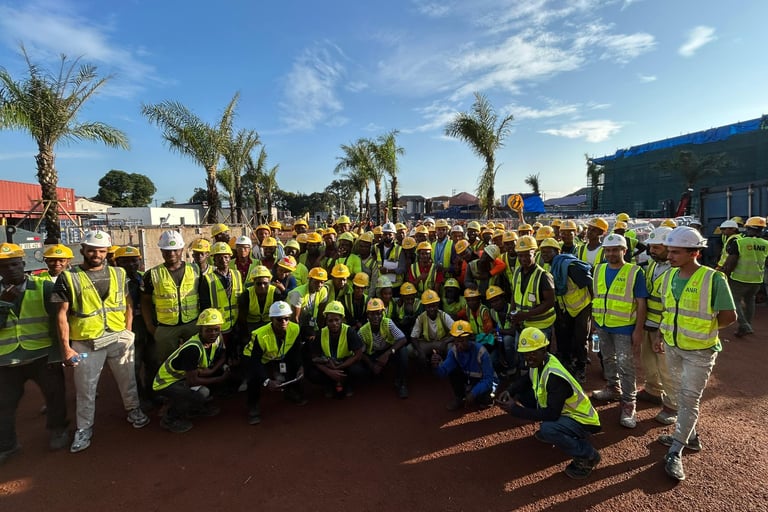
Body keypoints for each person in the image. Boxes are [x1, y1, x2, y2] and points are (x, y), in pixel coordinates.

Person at [53, 230, 149, 453]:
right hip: (87, 342)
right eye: (92, 250)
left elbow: (127, 303)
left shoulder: (119, 273)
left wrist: (127, 331)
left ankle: (134, 410)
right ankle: (84, 428)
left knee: (128, 380)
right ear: (83, 250)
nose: (97, 254)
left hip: (118, 338)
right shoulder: (69, 277)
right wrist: (66, 348)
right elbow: (61, 315)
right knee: (86, 388)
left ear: (107, 252)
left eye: (102, 251)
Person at [653, 226, 736, 481]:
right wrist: (662, 334)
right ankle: (689, 437)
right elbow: (668, 310)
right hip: (673, 346)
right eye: (669, 251)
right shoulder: (668, 276)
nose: (669, 256)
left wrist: (704, 330)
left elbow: (729, 316)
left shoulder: (714, 279)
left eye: (675, 252)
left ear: (694, 253)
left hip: (700, 351)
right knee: (679, 394)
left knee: (689, 399)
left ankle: (676, 451)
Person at [497, 327, 601, 479]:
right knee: (522, 393)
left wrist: (515, 410)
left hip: (583, 420)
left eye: (532, 352)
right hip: (565, 412)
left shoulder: (554, 376)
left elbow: (552, 414)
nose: (528, 357)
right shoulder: (541, 361)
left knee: (548, 429)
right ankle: (563, 432)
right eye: (525, 353)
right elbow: (527, 379)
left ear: (544, 349)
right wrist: (510, 390)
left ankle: (588, 455)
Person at [0, 243, 69, 464]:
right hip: (6, 360)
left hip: (41, 355)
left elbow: (57, 322)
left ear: (23, 264)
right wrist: (4, 303)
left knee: (55, 395)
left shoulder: (43, 287)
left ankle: (58, 430)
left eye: (14, 264)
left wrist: (57, 354)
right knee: (4, 404)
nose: (10, 269)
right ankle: (7, 444)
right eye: (4, 266)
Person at [590, 234, 648, 429]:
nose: (611, 254)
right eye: (608, 250)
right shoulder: (599, 269)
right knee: (607, 358)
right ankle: (612, 387)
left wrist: (638, 330)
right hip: (602, 325)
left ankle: (629, 402)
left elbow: (641, 303)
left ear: (624, 251)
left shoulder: (634, 272)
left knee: (625, 365)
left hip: (624, 327)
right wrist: (594, 322)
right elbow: (596, 297)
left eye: (615, 250)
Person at [141, 230, 201, 391]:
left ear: (181, 249)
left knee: (195, 358)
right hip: (166, 327)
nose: (171, 254)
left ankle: (195, 390)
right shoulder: (152, 274)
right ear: (161, 251)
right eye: (167, 250)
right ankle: (171, 392)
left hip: (192, 324)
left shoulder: (195, 270)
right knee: (167, 363)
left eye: (175, 250)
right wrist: (150, 325)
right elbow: (145, 301)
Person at [152, 308, 229, 433]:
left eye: (216, 329)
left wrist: (211, 371)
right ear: (200, 329)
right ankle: (170, 419)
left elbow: (223, 356)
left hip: (184, 378)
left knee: (207, 387)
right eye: (208, 330)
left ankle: (194, 409)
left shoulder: (217, 338)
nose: (213, 333)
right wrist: (219, 379)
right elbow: (192, 381)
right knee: (197, 395)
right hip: (167, 383)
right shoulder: (192, 349)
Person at [243, 301, 306, 425]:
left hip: (277, 355)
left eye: (287, 318)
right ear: (271, 319)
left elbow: (295, 352)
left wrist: (300, 367)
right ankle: (253, 406)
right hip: (255, 358)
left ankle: (290, 391)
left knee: (293, 364)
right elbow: (255, 362)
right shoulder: (260, 335)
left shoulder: (295, 328)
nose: (284, 322)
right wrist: (267, 381)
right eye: (279, 319)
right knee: (253, 377)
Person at [638, 227, 675, 416]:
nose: (651, 251)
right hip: (649, 323)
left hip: (665, 327)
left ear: (669, 247)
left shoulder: (676, 271)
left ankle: (673, 405)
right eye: (651, 247)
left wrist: (663, 330)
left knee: (666, 368)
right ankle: (653, 391)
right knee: (648, 361)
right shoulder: (653, 265)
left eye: (657, 247)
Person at [546, 239, 593, 384]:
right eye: (542, 252)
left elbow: (589, 283)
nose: (544, 254)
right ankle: (567, 362)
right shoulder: (553, 267)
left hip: (582, 306)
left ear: (557, 251)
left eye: (548, 251)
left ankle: (581, 366)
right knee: (564, 334)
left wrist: (593, 307)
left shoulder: (570, 266)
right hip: (567, 307)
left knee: (580, 338)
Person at [114, 246, 154, 406]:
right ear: (117, 262)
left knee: (153, 361)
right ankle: (139, 398)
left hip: (147, 325)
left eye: (134, 260)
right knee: (133, 366)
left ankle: (152, 392)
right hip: (127, 327)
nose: (130, 264)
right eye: (125, 261)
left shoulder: (144, 278)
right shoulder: (114, 281)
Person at [430, 320, 496, 411]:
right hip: (469, 378)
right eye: (456, 341)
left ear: (470, 338)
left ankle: (481, 396)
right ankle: (459, 398)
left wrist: (473, 393)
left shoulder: (481, 352)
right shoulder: (454, 351)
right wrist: (436, 366)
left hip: (483, 380)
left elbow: (488, 379)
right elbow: (443, 372)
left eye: (462, 341)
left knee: (484, 398)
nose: (458, 345)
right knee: (453, 371)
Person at [722, 216, 768, 337]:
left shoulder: (739, 242)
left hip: (739, 279)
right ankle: (746, 326)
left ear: (748, 228)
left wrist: (725, 275)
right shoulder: (766, 244)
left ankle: (744, 325)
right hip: (757, 280)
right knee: (750, 301)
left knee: (734, 300)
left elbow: (731, 262)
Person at [309, 301, 365, 398]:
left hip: (345, 363)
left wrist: (339, 367)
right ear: (326, 321)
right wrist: (329, 371)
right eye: (330, 321)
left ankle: (347, 383)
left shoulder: (349, 331)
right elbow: (314, 358)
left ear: (342, 320)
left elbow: (358, 354)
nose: (334, 323)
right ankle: (328, 384)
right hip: (328, 363)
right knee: (312, 374)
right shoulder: (321, 333)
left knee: (358, 371)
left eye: (337, 320)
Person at [358, 298, 410, 398]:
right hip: (374, 355)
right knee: (358, 368)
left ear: (382, 313)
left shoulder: (388, 323)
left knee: (403, 351)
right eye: (372, 314)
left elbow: (403, 339)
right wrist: (372, 365)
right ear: (367, 315)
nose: (375, 317)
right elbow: (360, 352)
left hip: (388, 352)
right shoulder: (362, 331)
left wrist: (387, 354)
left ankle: (401, 382)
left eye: (378, 314)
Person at [410, 290, 454, 365]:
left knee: (451, 348)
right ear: (424, 307)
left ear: (437, 305)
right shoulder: (421, 318)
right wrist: (421, 352)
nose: (432, 309)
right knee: (410, 350)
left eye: (434, 306)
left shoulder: (444, 316)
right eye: (428, 307)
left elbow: (456, 332)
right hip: (427, 343)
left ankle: (447, 367)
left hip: (441, 342)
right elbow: (413, 337)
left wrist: (445, 342)